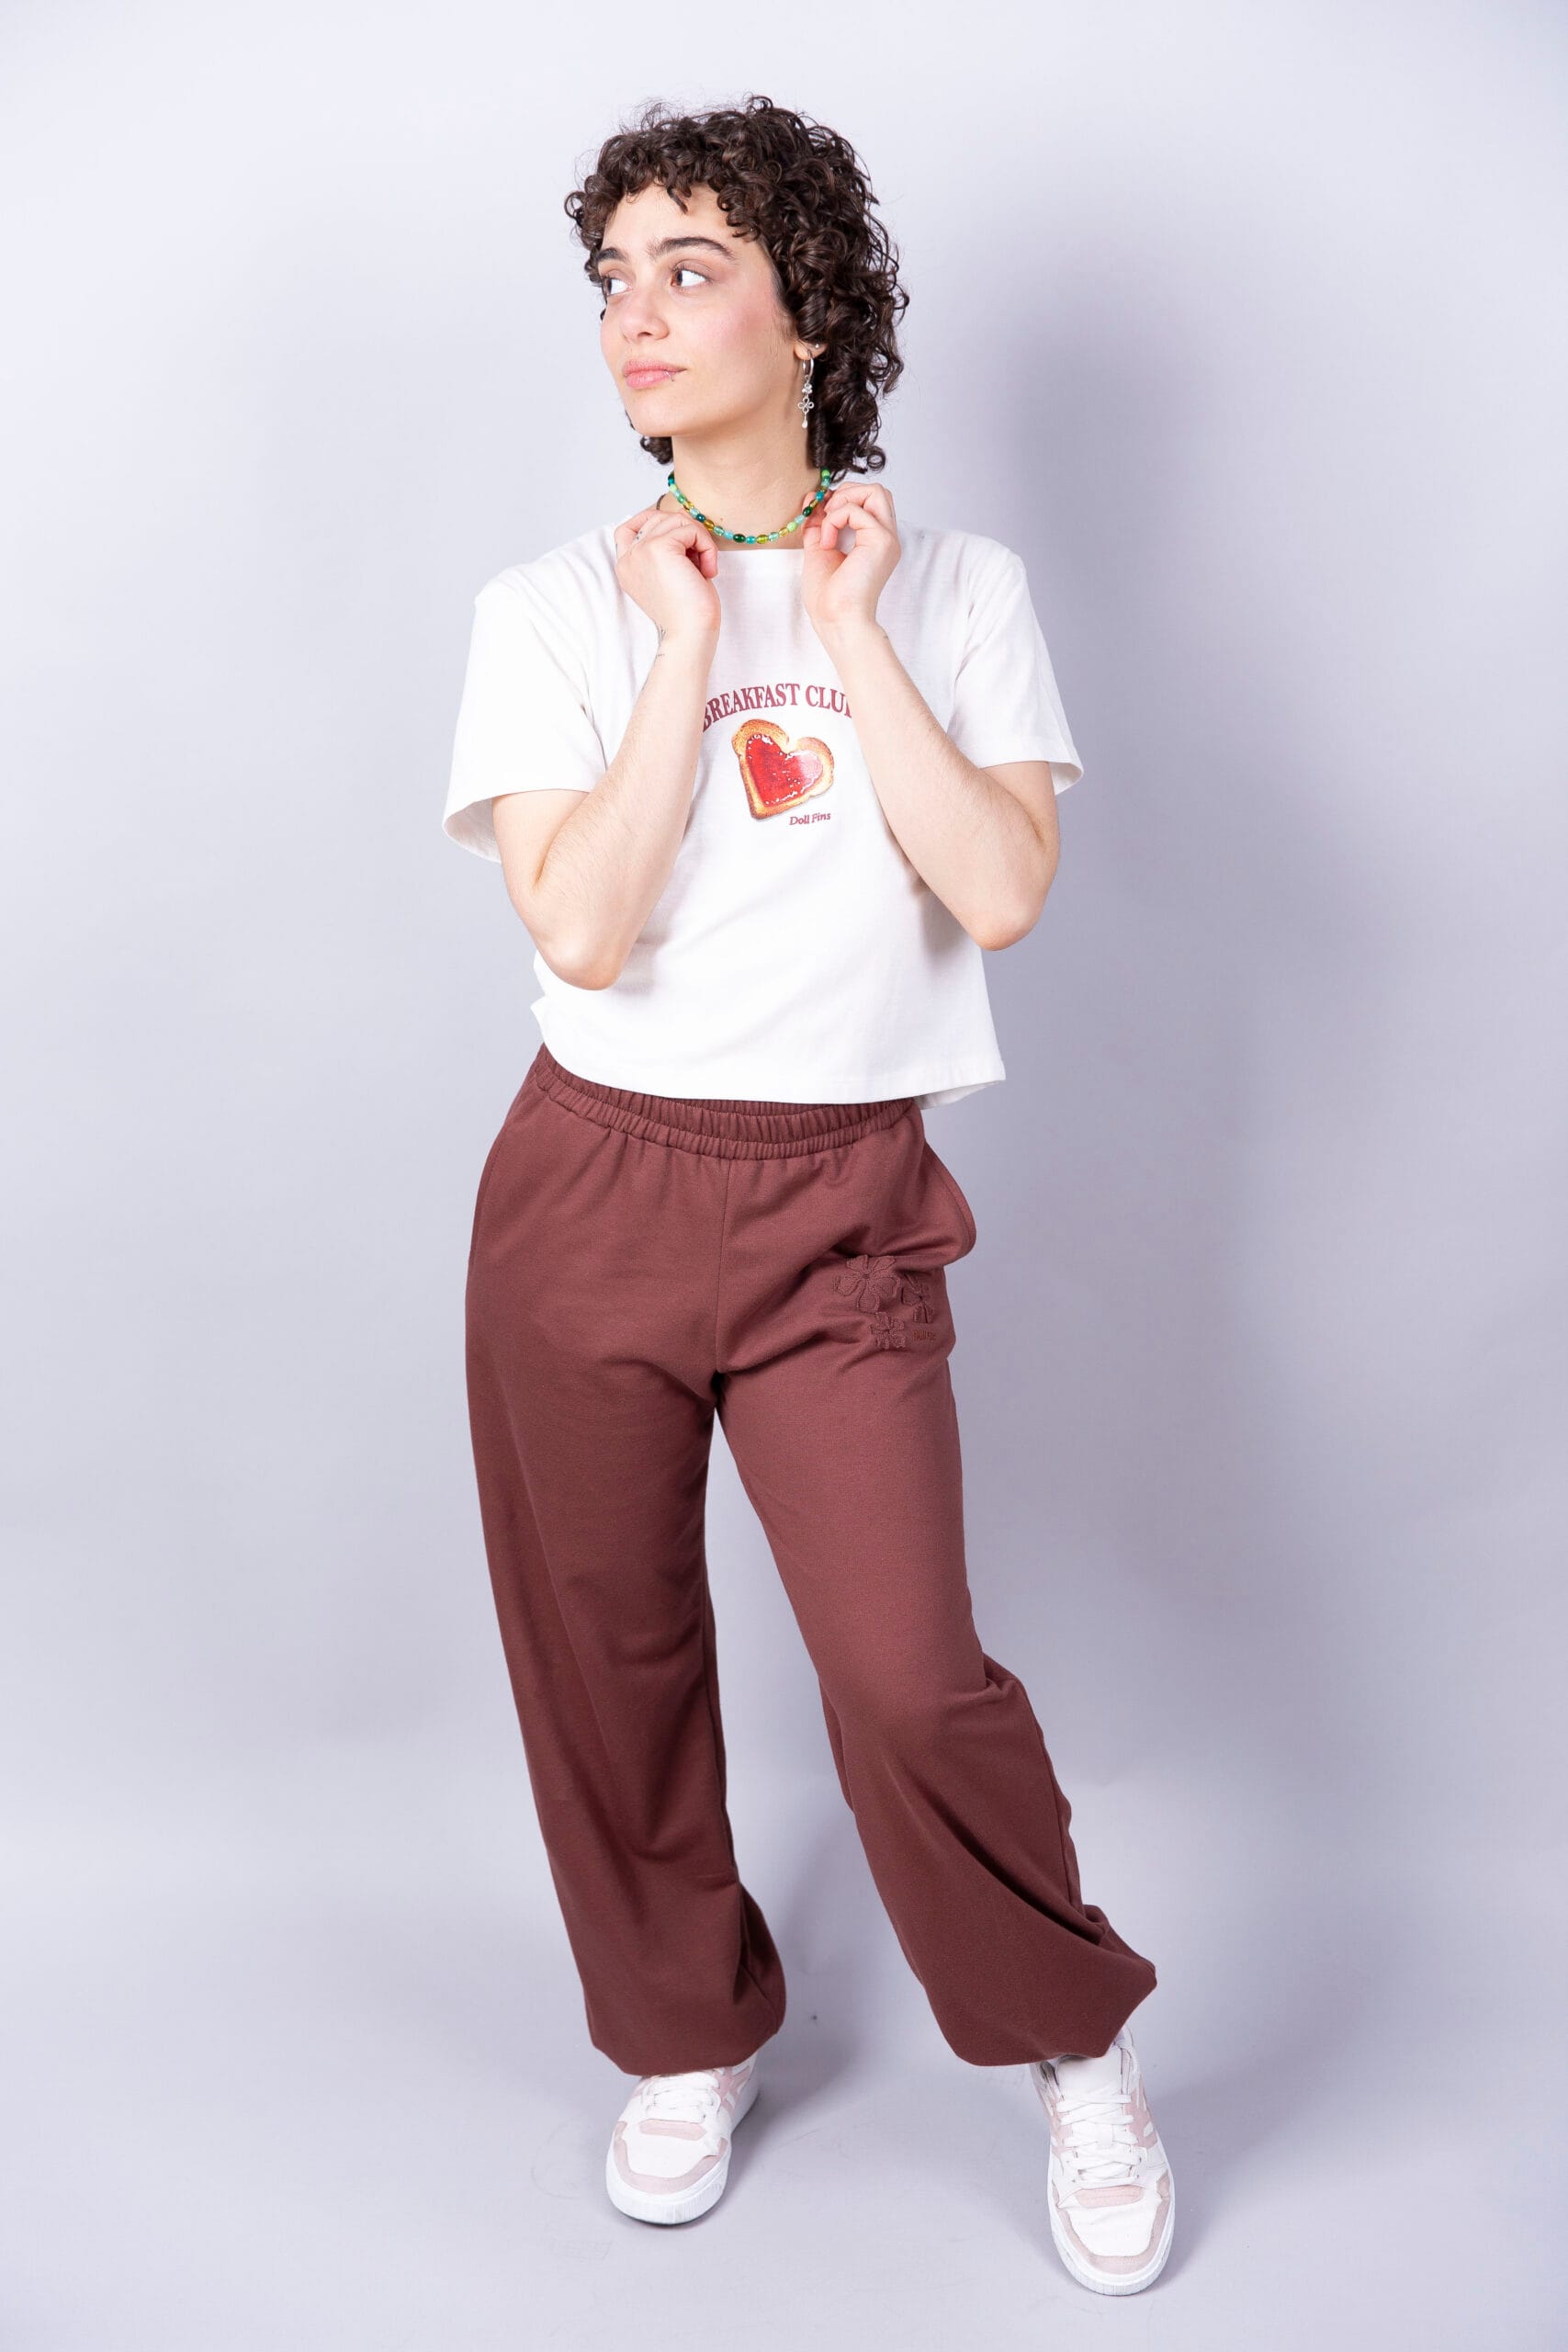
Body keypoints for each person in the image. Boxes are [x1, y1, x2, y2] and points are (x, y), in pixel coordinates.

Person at [441, 95, 1173, 2295]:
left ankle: (1068, 2039)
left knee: (906, 1669)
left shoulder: (959, 591)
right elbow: (583, 926)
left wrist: (843, 629)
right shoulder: (548, 609)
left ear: (811, 310)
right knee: (609, 1653)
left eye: (690, 271)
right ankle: (686, 2031)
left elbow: (999, 887)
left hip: (838, 1203)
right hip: (590, 1184)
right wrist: (682, 645)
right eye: (612, 281)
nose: (634, 319)